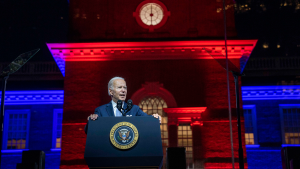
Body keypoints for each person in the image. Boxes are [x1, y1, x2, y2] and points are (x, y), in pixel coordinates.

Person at [85, 77, 161, 133]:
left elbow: (147, 120)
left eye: (125, 88)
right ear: (111, 91)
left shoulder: (134, 109)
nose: (123, 90)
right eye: (119, 87)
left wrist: (155, 118)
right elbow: (88, 131)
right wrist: (92, 121)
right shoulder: (101, 110)